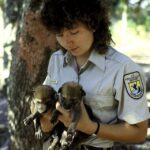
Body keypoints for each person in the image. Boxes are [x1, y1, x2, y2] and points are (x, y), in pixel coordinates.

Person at [39, 0, 150, 149]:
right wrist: (44, 117)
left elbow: (139, 133)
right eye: (59, 34)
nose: (67, 42)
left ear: (93, 25)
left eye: (74, 32)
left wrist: (91, 127)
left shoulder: (124, 69)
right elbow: (45, 126)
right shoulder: (56, 60)